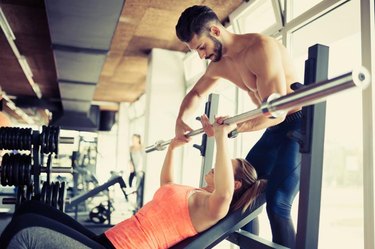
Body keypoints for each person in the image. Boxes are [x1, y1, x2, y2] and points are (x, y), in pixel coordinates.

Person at [0, 115, 266, 249]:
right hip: (108, 239)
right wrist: (174, 147)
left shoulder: (213, 208)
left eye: (223, 169)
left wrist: (220, 137)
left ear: (235, 184)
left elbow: (225, 190)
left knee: (24, 233)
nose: (213, 168)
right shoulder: (196, 193)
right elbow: (166, 186)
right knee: (31, 208)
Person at [175, 5, 303, 247]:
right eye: (196, 52)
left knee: (278, 203)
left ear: (215, 30)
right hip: (274, 129)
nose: (201, 56)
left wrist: (232, 129)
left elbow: (277, 113)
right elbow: (195, 94)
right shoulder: (220, 65)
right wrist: (180, 121)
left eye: (202, 47)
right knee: (241, 194)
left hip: (297, 126)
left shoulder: (261, 49)